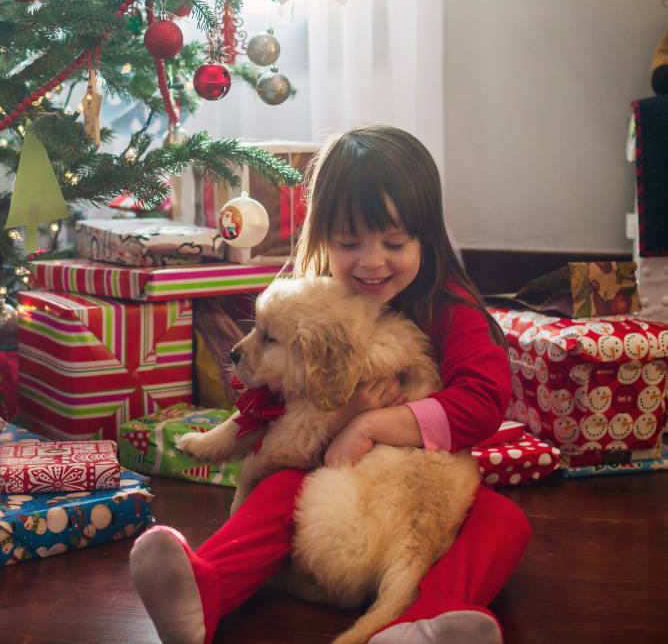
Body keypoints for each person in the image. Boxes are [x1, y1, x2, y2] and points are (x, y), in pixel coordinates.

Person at [129, 125, 531, 644]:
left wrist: (369, 424)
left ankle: (424, 622)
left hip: (408, 494)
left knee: (504, 522)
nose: (371, 260)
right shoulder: (307, 288)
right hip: (326, 492)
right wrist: (333, 420)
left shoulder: (447, 305)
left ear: (426, 238)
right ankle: (203, 592)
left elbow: (482, 402)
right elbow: (263, 383)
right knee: (277, 491)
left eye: (394, 242)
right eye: (349, 242)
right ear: (321, 236)